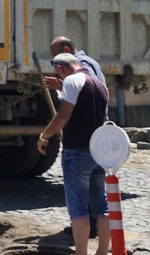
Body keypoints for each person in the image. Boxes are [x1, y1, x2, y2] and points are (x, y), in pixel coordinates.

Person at [40, 53, 111, 255]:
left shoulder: (71, 81)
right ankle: (102, 252)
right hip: (98, 152)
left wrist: (44, 137)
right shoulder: (99, 84)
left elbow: (63, 115)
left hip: (77, 152)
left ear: (61, 68)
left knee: (78, 209)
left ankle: (81, 253)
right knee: (101, 206)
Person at [50, 35, 106, 238]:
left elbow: (71, 109)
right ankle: (100, 247)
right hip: (98, 141)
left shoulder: (80, 70)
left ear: (66, 51)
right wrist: (60, 86)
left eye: (57, 60)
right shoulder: (92, 67)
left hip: (82, 141)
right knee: (101, 202)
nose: (57, 66)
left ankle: (84, 243)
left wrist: (44, 136)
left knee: (80, 204)